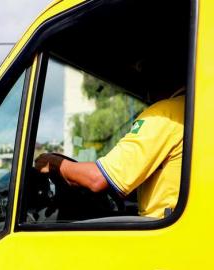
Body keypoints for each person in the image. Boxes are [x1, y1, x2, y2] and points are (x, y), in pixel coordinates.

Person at [35, 91, 185, 219]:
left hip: (161, 237)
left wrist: (53, 162)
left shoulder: (165, 114)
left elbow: (97, 179)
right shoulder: (195, 111)